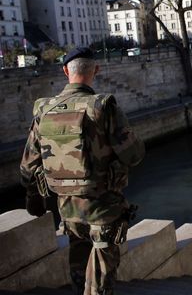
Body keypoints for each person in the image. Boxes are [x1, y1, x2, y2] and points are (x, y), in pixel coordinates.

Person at [20, 47, 145, 295]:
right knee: (102, 273)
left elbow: (28, 165)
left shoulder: (44, 110)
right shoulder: (103, 107)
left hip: (67, 209)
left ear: (65, 70)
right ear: (95, 71)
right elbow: (134, 155)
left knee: (78, 260)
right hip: (103, 206)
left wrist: (34, 197)